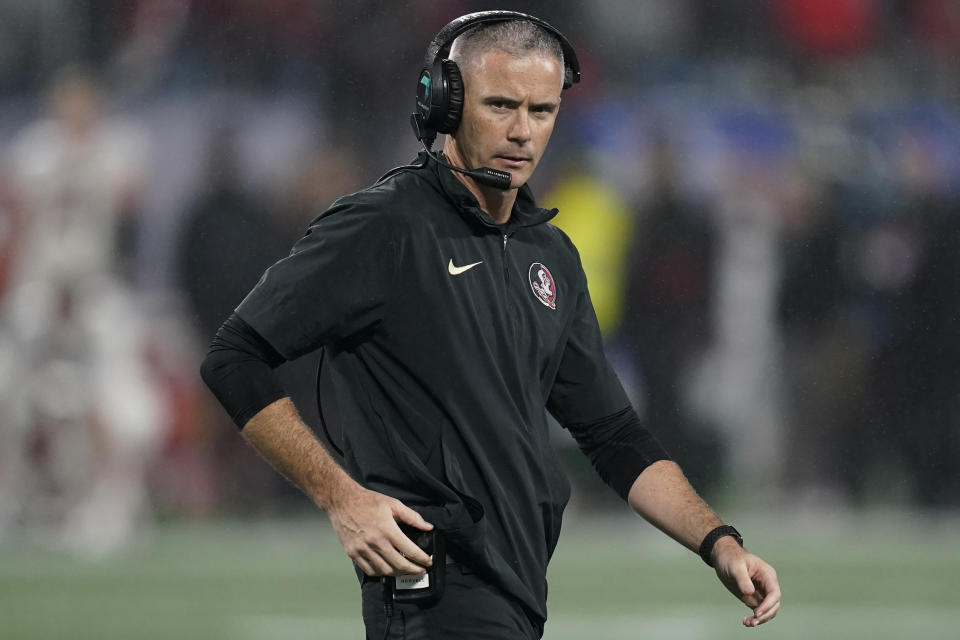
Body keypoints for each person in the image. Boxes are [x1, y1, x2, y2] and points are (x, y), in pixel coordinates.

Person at [201, 11, 781, 639]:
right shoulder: (384, 227)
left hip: (519, 590)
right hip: (432, 596)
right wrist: (342, 498)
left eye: (541, 111)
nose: (522, 132)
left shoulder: (549, 253)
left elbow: (613, 436)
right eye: (500, 105)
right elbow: (235, 356)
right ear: (445, 104)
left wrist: (718, 541)